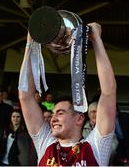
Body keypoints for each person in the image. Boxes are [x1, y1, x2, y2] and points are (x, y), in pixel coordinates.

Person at [18, 22, 116, 166]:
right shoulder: (45, 143)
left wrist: (97, 41)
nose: (53, 118)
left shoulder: (95, 146)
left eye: (60, 113)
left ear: (79, 119)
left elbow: (109, 92)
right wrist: (30, 44)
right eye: (53, 114)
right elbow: (25, 97)